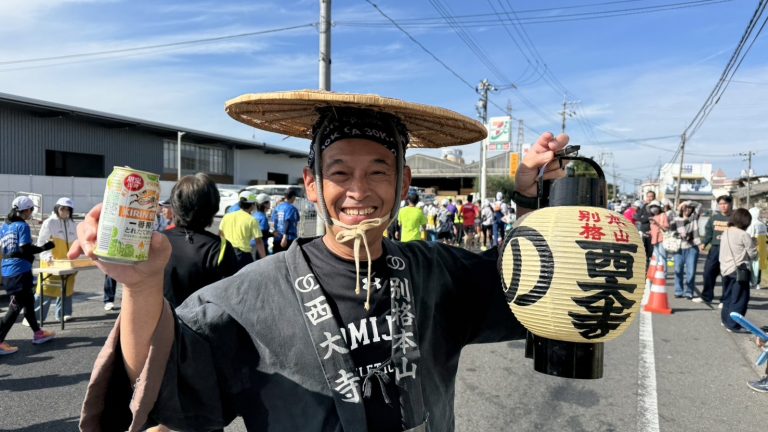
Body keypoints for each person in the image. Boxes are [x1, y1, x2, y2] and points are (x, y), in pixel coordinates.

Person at [74, 90, 568, 431]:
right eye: (339, 172)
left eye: (379, 170)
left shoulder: (437, 273)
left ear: (403, 183)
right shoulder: (251, 293)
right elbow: (163, 379)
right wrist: (141, 288)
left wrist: (535, 199)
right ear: (312, 184)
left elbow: (532, 286)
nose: (358, 191)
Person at [162, 173, 239, 308]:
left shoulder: (157, 241)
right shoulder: (220, 247)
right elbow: (229, 298)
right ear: (213, 207)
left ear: (175, 205)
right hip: (201, 325)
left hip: (160, 324)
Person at [0, 196, 56, 355]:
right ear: (24, 210)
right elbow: (25, 249)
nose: (31, 213)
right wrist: (45, 246)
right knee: (16, 306)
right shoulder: (22, 226)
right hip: (19, 272)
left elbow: (6, 249)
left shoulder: (5, 227)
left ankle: (38, 333)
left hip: (9, 271)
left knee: (29, 303)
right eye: (31, 209)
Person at [34, 197, 78, 323]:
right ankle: (36, 317)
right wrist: (47, 256)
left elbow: (76, 242)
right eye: (62, 208)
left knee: (67, 288)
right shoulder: (49, 222)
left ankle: (64, 313)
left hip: (68, 263)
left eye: (68, 209)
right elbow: (41, 242)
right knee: (45, 289)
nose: (65, 211)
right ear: (57, 208)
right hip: (51, 262)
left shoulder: (73, 224)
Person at [718, 208, 757, 332]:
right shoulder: (743, 234)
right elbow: (753, 255)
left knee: (727, 297)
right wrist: (754, 243)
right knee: (740, 298)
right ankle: (733, 325)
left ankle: (725, 321)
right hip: (739, 270)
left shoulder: (726, 232)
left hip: (725, 269)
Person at [695, 195, 733, 304]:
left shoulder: (734, 218)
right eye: (720, 204)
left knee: (726, 275)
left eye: (725, 203)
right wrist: (704, 243)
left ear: (730, 204)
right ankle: (706, 297)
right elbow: (709, 233)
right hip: (715, 249)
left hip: (729, 250)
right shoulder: (714, 218)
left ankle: (725, 300)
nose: (723, 206)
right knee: (708, 273)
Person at [219, 190, 265, 270]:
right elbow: (259, 242)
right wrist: (264, 259)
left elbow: (220, 234)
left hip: (227, 254)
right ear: (252, 205)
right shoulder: (252, 220)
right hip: (243, 256)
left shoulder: (227, 216)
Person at [672, 201, 701, 299]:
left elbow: (699, 205)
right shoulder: (676, 219)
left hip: (692, 247)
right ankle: (678, 291)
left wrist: (687, 202)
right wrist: (680, 204)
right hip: (678, 248)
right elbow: (671, 229)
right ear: (681, 209)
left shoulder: (694, 218)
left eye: (690, 208)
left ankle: (689, 292)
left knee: (691, 271)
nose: (687, 209)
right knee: (678, 270)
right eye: (685, 208)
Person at [634, 191, 656, 268]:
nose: (649, 198)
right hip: (643, 232)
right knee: (644, 252)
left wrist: (644, 218)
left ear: (654, 197)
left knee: (651, 252)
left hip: (652, 233)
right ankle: (646, 268)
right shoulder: (645, 206)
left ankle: (651, 268)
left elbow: (653, 217)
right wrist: (645, 218)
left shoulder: (656, 207)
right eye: (648, 196)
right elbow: (637, 217)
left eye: (651, 196)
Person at [746, 207, 766, 289]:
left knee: (751, 265)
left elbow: (749, 236)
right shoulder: (762, 224)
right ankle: (758, 283)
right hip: (762, 248)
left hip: (753, 247)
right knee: (759, 266)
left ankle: (751, 281)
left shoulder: (751, 224)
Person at [648, 200, 669, 273]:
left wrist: (656, 223)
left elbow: (666, 228)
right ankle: (657, 273)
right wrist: (649, 232)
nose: (653, 208)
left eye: (655, 206)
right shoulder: (653, 217)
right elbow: (654, 229)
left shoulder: (663, 215)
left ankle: (663, 273)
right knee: (656, 258)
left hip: (661, 240)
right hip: (654, 240)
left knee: (663, 257)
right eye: (652, 207)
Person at [252, 193, 272, 259]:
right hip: (261, 246)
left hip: (251, 245)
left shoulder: (254, 215)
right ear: (264, 204)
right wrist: (273, 234)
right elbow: (262, 234)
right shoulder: (263, 217)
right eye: (269, 202)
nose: (270, 204)